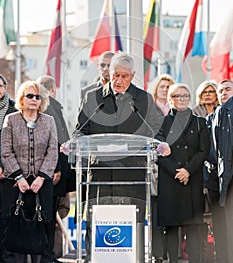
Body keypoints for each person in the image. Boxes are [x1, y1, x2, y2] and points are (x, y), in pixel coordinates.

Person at [73, 52, 162, 262]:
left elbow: (155, 131)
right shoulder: (93, 98)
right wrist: (78, 144)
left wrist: (132, 145)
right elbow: (79, 132)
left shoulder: (143, 99)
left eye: (124, 76)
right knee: (96, 221)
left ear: (132, 76)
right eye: (115, 75)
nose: (118, 80)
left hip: (132, 173)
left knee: (132, 222)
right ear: (108, 73)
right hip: (100, 173)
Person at [1, 80, 58, 263]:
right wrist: (19, 176)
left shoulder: (49, 121)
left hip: (42, 183)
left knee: (42, 224)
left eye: (37, 97)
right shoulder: (11, 119)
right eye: (30, 96)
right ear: (21, 99)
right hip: (16, 182)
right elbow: (6, 151)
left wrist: (41, 177)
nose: (34, 100)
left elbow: (52, 151)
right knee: (16, 226)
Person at [156, 83, 210, 263]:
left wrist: (188, 170)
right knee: (171, 226)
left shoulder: (199, 122)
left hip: (192, 179)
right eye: (178, 96)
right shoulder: (161, 123)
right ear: (170, 99)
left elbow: (203, 151)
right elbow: (157, 152)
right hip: (170, 179)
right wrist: (176, 171)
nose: (182, 99)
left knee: (193, 226)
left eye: (186, 96)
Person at [36, 75, 72, 263]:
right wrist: (57, 168)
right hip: (50, 170)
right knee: (46, 215)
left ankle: (47, 254)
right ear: (53, 89)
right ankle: (45, 255)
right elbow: (55, 142)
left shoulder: (53, 107)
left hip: (54, 170)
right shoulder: (50, 107)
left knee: (49, 215)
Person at [149, 74, 175, 263]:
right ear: (156, 89)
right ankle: (157, 253)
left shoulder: (177, 112)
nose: (165, 89)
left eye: (169, 87)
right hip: (156, 169)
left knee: (173, 213)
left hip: (174, 168)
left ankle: (173, 253)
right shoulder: (149, 111)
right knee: (157, 213)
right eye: (162, 86)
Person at [192, 80, 219, 263]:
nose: (208, 94)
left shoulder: (223, 111)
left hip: (217, 168)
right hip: (199, 167)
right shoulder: (195, 113)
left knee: (217, 212)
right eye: (205, 91)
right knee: (200, 213)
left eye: (211, 91)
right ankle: (201, 251)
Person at [212, 79, 233, 262]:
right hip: (227, 176)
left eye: (227, 89)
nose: (223, 93)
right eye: (220, 91)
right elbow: (216, 148)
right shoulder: (219, 113)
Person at [0, 74, 17, 263]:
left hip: (9, 172)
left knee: (7, 217)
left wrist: (4, 166)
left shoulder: (14, 109)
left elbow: (13, 143)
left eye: (0, 85)